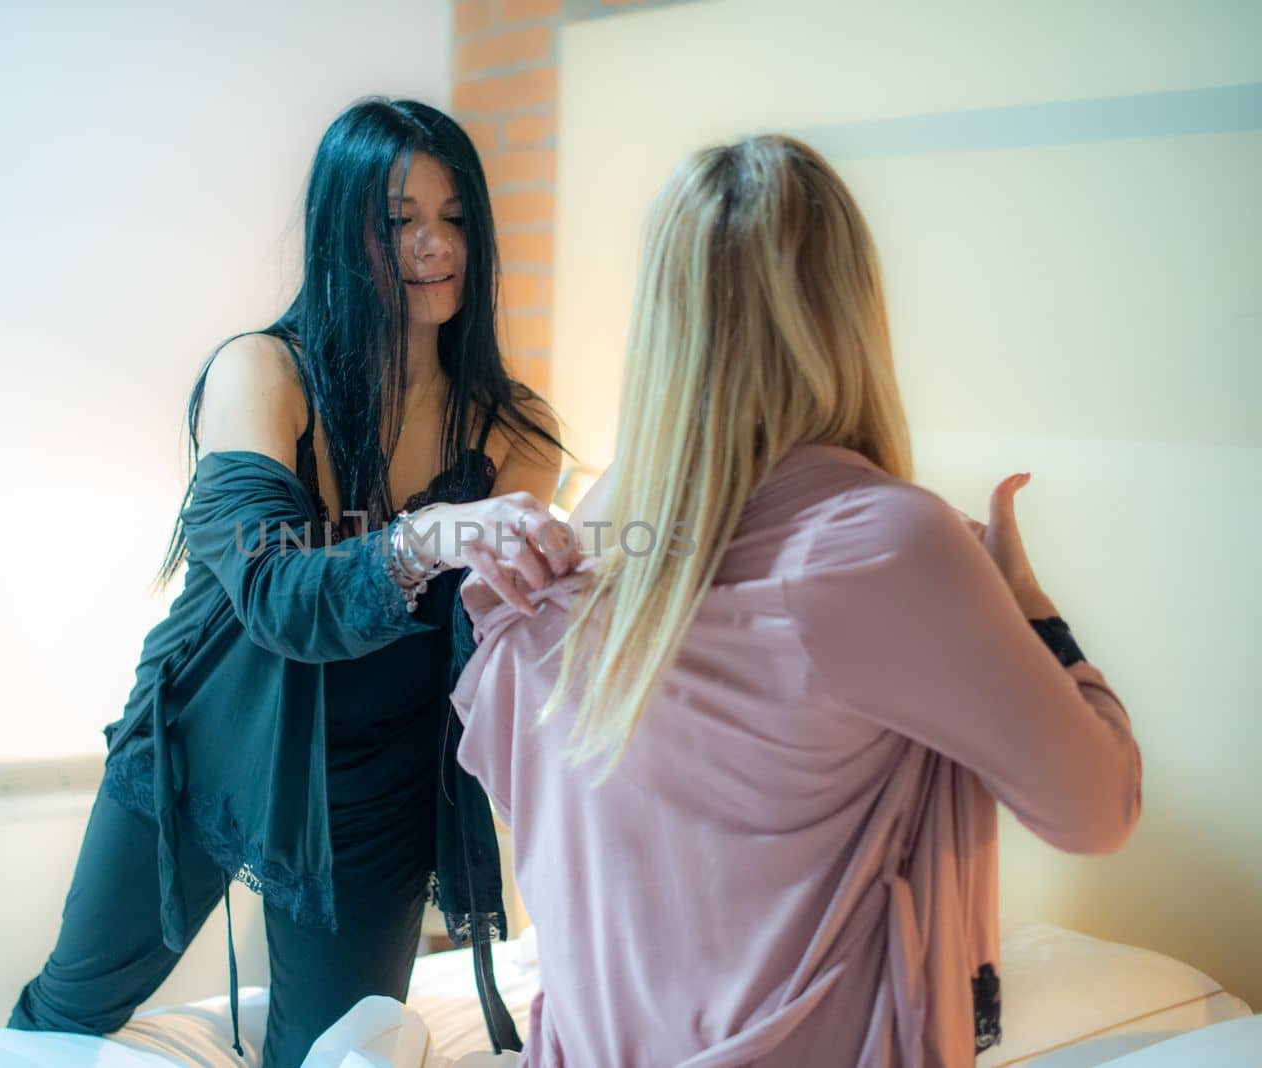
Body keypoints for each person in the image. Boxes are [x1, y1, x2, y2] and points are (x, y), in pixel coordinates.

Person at [447, 137, 1142, 1066]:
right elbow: (1099, 807)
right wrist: (1028, 605)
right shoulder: (883, 545)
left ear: (662, 321)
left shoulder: (604, 527)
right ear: (849, 309)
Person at [8, 97, 572, 1068]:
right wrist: (428, 534)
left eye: (455, 217)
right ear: (341, 228)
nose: (434, 245)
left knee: (336, 1055)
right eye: (399, 219)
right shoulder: (262, 374)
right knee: (69, 1013)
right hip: (203, 743)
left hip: (377, 784)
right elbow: (277, 602)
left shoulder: (513, 435)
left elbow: (495, 658)